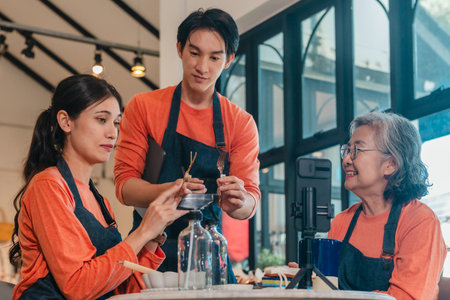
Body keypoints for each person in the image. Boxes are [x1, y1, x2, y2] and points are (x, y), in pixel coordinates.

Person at [9, 74, 187, 299]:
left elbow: (117, 290)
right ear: (66, 122)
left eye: (116, 122)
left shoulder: (99, 201)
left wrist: (153, 233)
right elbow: (77, 286)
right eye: (101, 119)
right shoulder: (49, 186)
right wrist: (142, 232)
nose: (113, 133)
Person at [113, 8, 260, 281]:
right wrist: (173, 189)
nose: (202, 67)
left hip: (209, 254)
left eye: (214, 57)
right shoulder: (143, 107)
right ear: (180, 49)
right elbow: (125, 187)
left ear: (228, 60)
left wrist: (238, 200)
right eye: (194, 53)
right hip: (149, 248)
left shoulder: (240, 123)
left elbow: (249, 203)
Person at [328, 112, 446, 299]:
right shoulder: (341, 222)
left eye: (357, 151)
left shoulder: (420, 222)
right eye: (347, 150)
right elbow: (326, 287)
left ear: (391, 164)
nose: (346, 160)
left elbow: (406, 298)